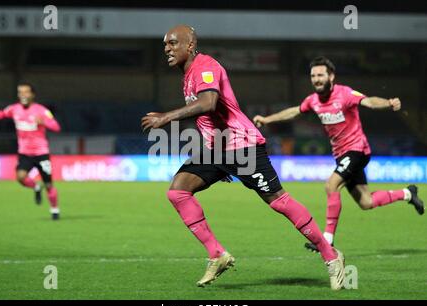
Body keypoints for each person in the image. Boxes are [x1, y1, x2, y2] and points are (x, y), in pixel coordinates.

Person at [141, 26, 345, 290]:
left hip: (242, 146)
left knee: (279, 202)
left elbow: (208, 104)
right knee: (178, 191)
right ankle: (217, 254)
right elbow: (208, 119)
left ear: (190, 45)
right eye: (164, 44)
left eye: (172, 43)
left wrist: (167, 117)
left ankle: (331, 256)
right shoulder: (188, 75)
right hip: (217, 150)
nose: (166, 48)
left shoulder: (206, 66)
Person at [253, 56, 424, 251]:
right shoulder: (313, 101)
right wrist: (267, 120)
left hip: (357, 150)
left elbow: (368, 102)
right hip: (342, 155)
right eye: (313, 76)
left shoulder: (345, 93)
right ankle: (408, 193)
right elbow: (293, 112)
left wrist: (388, 103)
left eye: (320, 75)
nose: (316, 79)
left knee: (331, 185)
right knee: (366, 202)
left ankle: (327, 239)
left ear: (331, 76)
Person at [0, 82, 61, 220]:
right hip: (25, 153)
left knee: (48, 184)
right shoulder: (14, 109)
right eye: (20, 92)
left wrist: (44, 122)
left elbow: (56, 127)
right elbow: (2, 114)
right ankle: (36, 187)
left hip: (41, 153)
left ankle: (54, 210)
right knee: (21, 177)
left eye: (26, 92)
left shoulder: (41, 110)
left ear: (32, 94)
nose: (23, 95)